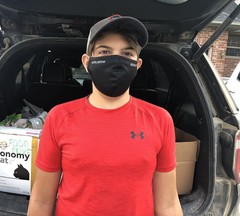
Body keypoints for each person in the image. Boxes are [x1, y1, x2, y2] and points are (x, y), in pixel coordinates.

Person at [28, 14, 183, 216]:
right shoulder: (60, 117)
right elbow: (41, 201)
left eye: (127, 54)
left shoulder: (160, 120)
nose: (116, 60)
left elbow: (169, 204)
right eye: (104, 51)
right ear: (86, 62)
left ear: (137, 65)